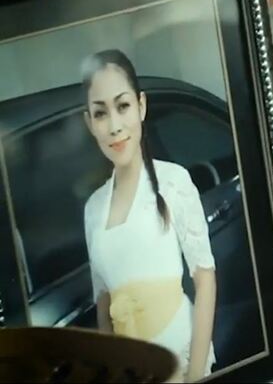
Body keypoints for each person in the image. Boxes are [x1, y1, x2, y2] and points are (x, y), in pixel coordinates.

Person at [80, 49, 217, 383]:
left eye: (123, 106)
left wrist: (195, 373)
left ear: (141, 106)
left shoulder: (173, 182)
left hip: (181, 360)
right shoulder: (93, 209)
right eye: (101, 113)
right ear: (89, 123)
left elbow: (205, 280)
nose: (114, 127)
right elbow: (104, 307)